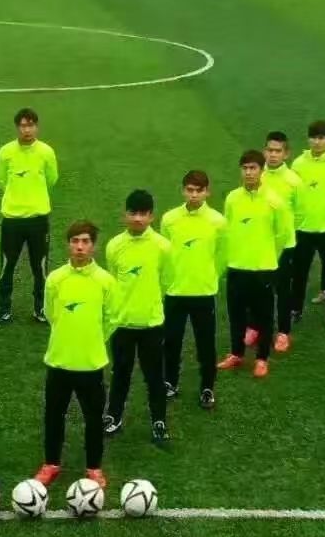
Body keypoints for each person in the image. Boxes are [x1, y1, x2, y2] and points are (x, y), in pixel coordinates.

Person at [34, 220, 113, 488]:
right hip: (59, 361)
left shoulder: (105, 281)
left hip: (91, 363)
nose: (80, 247)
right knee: (54, 416)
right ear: (68, 245)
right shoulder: (56, 279)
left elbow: (111, 318)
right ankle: (51, 464)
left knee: (94, 419)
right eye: (75, 241)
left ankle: (94, 468)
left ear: (94, 246)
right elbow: (50, 313)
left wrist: (92, 340)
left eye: (85, 242)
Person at [103, 190, 173, 443]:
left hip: (151, 324)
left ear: (151, 216)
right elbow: (113, 281)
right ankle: (114, 416)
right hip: (122, 323)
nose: (138, 219)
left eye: (143, 214)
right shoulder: (114, 246)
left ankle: (159, 421)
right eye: (133, 213)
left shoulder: (163, 247)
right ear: (125, 214)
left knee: (155, 376)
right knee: (120, 373)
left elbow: (167, 281)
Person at [217, 151, 294, 378]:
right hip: (237, 266)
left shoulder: (274, 201)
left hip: (263, 268)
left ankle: (261, 359)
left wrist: (268, 256)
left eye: (253, 168)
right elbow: (228, 231)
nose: (249, 173)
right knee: (236, 314)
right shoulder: (232, 199)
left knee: (264, 316)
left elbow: (283, 235)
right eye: (245, 168)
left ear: (261, 170)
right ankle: (236, 353)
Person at [160, 171, 227, 410]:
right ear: (183, 191)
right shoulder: (169, 219)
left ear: (207, 192)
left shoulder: (218, 221)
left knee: (205, 343)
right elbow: (164, 254)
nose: (194, 195)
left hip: (203, 292)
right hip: (175, 292)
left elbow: (222, 255)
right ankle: (170, 382)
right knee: (171, 341)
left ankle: (207, 387)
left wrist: (210, 277)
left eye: (199, 190)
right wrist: (169, 282)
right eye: (190, 190)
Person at [0, 108, 58, 324]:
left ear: (36, 127)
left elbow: (51, 179)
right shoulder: (6, 152)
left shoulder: (46, 152)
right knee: (7, 266)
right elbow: (0, 179)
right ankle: (3, 308)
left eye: (30, 125)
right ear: (17, 127)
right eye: (23, 125)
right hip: (12, 219)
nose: (27, 130)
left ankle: (40, 308)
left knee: (40, 268)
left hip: (38, 220)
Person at [290, 121, 325, 331]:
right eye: (313, 137)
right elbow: (294, 195)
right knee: (299, 273)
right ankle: (295, 310)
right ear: (308, 139)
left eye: (321, 138)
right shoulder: (298, 164)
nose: (317, 142)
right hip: (304, 229)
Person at [261, 131, 302, 353]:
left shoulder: (293, 181)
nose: (273, 155)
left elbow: (300, 213)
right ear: (264, 152)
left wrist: (286, 234)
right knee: (259, 289)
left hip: (285, 245)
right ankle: (256, 327)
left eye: (278, 151)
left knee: (283, 290)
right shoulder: (258, 176)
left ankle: (284, 332)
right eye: (270, 150)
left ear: (286, 154)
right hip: (261, 243)